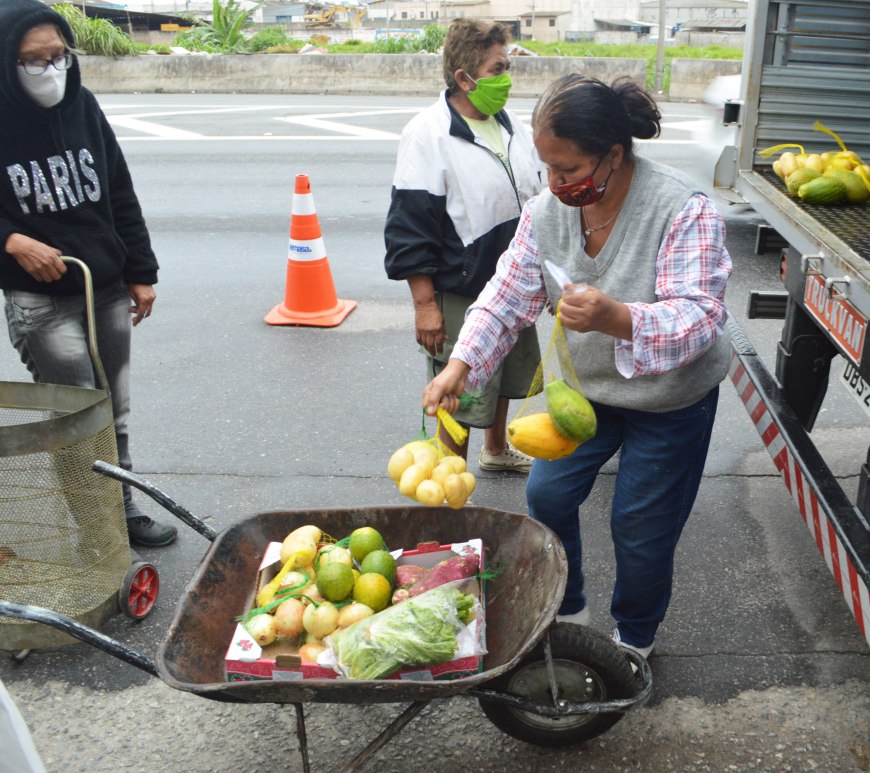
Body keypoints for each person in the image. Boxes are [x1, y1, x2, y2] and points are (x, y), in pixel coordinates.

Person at [422, 74, 732, 661]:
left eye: (568, 170)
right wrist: (460, 365)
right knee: (548, 495)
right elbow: (505, 299)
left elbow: (701, 316)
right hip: (589, 393)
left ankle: (634, 639)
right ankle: (569, 609)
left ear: (613, 154)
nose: (556, 184)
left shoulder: (680, 208)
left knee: (640, 527)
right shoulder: (546, 213)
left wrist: (619, 317)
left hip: (671, 400)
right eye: (547, 168)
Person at [0, 0, 177, 548]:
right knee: (76, 419)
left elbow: (119, 190)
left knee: (113, 412)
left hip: (105, 287)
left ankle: (121, 512)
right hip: (41, 301)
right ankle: (96, 534)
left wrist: (141, 270)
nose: (51, 69)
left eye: (59, 55)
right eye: (34, 60)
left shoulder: (83, 105)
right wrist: (12, 240)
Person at [384, 18, 543, 473]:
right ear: (464, 78)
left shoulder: (509, 124)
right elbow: (410, 225)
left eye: (507, 66)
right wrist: (424, 306)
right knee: (462, 387)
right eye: (497, 69)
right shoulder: (428, 133)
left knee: (505, 371)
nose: (506, 78)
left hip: (511, 282)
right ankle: (451, 478)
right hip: (462, 285)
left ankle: (496, 450)